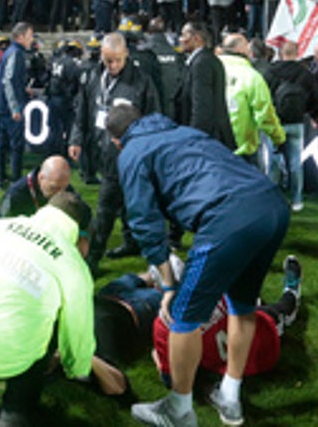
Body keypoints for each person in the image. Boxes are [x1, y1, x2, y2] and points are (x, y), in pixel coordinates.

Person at [107, 104, 289, 427]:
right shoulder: (182, 130)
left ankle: (179, 409)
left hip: (228, 217)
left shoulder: (132, 151)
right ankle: (230, 396)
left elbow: (144, 222)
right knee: (241, 304)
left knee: (182, 315)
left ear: (116, 140)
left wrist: (167, 285)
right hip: (271, 204)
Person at [0, 191, 96, 427]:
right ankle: (15, 413)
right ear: (79, 231)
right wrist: (77, 367)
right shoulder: (71, 263)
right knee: (49, 325)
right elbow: (78, 327)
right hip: (12, 348)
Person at [91, 255, 302, 399]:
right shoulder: (211, 286)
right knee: (275, 309)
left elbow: (171, 378)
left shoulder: (165, 325)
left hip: (117, 298)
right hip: (256, 337)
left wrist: (158, 355)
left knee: (253, 308)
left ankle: (165, 274)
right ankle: (290, 291)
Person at [70, 32, 159, 270]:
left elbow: (153, 118)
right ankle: (131, 242)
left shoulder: (141, 81)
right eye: (109, 60)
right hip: (101, 149)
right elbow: (83, 109)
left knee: (106, 207)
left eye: (118, 60)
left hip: (126, 155)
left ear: (126, 54)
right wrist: (76, 139)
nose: (113, 65)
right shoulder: (93, 76)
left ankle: (93, 259)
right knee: (125, 202)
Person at [265, 40, 318, 211]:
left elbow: (264, 96)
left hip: (275, 122)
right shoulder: (305, 73)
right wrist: (307, 111)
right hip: (297, 123)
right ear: (298, 52)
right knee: (295, 162)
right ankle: (297, 200)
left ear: (280, 53)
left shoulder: (271, 72)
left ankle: (272, 200)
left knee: (274, 162)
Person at [219, 33, 286, 171]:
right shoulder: (251, 76)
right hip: (243, 150)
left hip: (212, 148)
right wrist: (278, 138)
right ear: (242, 50)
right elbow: (265, 114)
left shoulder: (208, 70)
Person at [173, 21, 235, 151]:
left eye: (184, 35)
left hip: (207, 141)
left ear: (197, 39)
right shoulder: (204, 60)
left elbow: (202, 108)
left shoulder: (202, 64)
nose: (180, 39)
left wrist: (193, 140)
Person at [0, 22, 33, 189]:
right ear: (20, 36)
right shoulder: (16, 54)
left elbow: (2, 78)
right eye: (30, 35)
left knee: (2, 144)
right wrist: (15, 107)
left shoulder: (9, 53)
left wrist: (22, 89)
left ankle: (1, 178)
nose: (32, 39)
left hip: (2, 105)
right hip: (11, 108)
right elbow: (8, 80)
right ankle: (16, 181)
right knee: (16, 146)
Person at [0, 154, 74, 218]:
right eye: (53, 188)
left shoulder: (62, 187)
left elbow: (83, 216)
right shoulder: (16, 195)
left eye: (64, 188)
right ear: (41, 177)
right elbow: (2, 227)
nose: (59, 194)